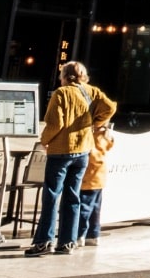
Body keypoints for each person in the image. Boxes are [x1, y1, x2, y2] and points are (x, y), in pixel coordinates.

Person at [28, 62, 113, 256]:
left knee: (51, 195)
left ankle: (44, 241)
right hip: (83, 150)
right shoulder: (92, 91)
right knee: (73, 196)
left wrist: (44, 141)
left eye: (61, 74)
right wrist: (95, 123)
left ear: (66, 76)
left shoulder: (61, 93)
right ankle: (67, 242)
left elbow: (54, 123)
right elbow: (110, 107)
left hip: (60, 150)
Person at [75, 119, 114, 248]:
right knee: (95, 209)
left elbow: (91, 155)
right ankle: (93, 234)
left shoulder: (94, 137)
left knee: (84, 208)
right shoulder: (106, 135)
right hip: (99, 177)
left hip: (89, 178)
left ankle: (80, 235)